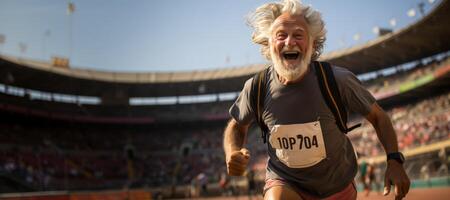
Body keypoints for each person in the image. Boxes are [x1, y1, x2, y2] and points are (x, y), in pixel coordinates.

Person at [222, 0, 410, 199]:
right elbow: (236, 126)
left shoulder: (338, 80)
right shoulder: (256, 88)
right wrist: (232, 151)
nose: (289, 42)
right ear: (269, 44)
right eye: (281, 35)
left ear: (312, 44)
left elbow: (379, 117)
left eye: (298, 35)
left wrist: (394, 160)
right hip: (285, 181)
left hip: (337, 186)